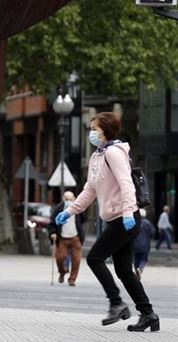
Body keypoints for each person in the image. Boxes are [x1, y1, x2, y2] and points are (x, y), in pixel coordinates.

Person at [55, 112, 159, 332]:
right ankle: (148, 314)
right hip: (116, 220)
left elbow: (126, 184)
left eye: (95, 128)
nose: (91, 133)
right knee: (123, 270)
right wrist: (70, 211)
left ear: (107, 130)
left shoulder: (114, 153)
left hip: (126, 218)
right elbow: (89, 190)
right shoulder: (97, 157)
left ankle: (117, 304)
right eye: (91, 128)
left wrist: (130, 212)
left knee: (94, 258)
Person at [48, 191, 85, 286]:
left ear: (74, 198)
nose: (69, 201)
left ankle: (72, 279)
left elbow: (83, 219)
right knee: (60, 258)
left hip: (75, 237)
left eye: (70, 199)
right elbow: (52, 222)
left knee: (76, 259)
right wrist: (53, 233)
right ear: (63, 199)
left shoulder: (78, 208)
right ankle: (62, 272)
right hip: (63, 237)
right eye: (67, 199)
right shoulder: (58, 209)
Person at [134, 209, 155, 279]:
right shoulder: (147, 223)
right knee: (143, 259)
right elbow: (153, 232)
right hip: (145, 245)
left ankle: (136, 270)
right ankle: (140, 269)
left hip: (134, 245)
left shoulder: (135, 222)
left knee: (136, 259)